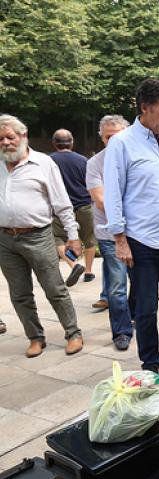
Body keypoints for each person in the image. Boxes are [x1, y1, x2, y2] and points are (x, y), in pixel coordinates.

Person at [102, 78, 159, 373]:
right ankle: (151, 364)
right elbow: (114, 193)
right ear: (144, 108)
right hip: (141, 242)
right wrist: (119, 239)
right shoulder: (122, 144)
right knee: (145, 309)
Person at [0, 115, 83, 358]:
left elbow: (62, 204)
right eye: (1, 139)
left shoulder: (43, 163)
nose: (5, 142)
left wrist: (73, 236)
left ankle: (73, 333)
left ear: (23, 136)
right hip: (5, 240)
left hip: (38, 236)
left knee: (54, 289)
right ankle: (35, 337)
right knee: (19, 294)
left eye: (10, 137)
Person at [85, 115, 134, 351]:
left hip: (140, 233)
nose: (113, 141)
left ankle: (133, 318)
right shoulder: (95, 163)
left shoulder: (136, 157)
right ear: (102, 138)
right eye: (108, 137)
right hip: (109, 234)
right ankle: (122, 331)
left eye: (117, 136)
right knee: (116, 286)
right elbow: (101, 199)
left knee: (142, 282)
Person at [49, 129, 95, 286]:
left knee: (57, 239)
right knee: (89, 239)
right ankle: (88, 272)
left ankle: (74, 264)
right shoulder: (83, 160)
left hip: (59, 209)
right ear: (72, 142)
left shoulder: (48, 161)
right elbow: (90, 183)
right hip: (83, 205)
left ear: (54, 143)